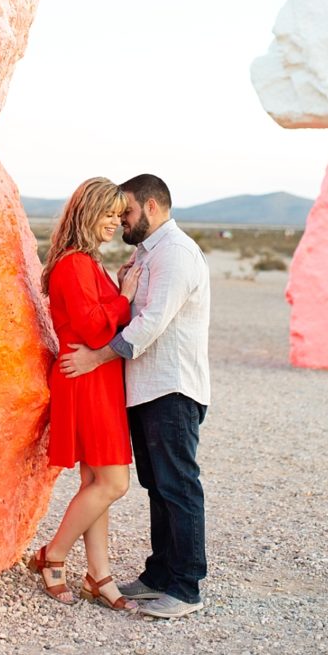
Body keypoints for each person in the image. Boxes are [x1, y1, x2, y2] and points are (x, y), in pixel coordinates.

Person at [60, 173, 210, 619]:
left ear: (151, 207)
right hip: (145, 389)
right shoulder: (147, 253)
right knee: (157, 486)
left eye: (125, 211)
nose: (122, 220)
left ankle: (185, 587)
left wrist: (95, 358)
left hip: (172, 387)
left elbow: (148, 325)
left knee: (178, 486)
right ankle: (159, 575)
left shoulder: (176, 253)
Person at [28, 177, 142, 610]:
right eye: (107, 214)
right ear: (87, 213)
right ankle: (53, 556)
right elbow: (94, 328)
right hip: (86, 379)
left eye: (118, 215)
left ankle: (99, 575)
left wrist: (117, 291)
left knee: (96, 482)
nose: (114, 222)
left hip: (97, 378)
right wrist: (125, 296)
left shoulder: (87, 262)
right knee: (113, 482)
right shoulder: (74, 263)